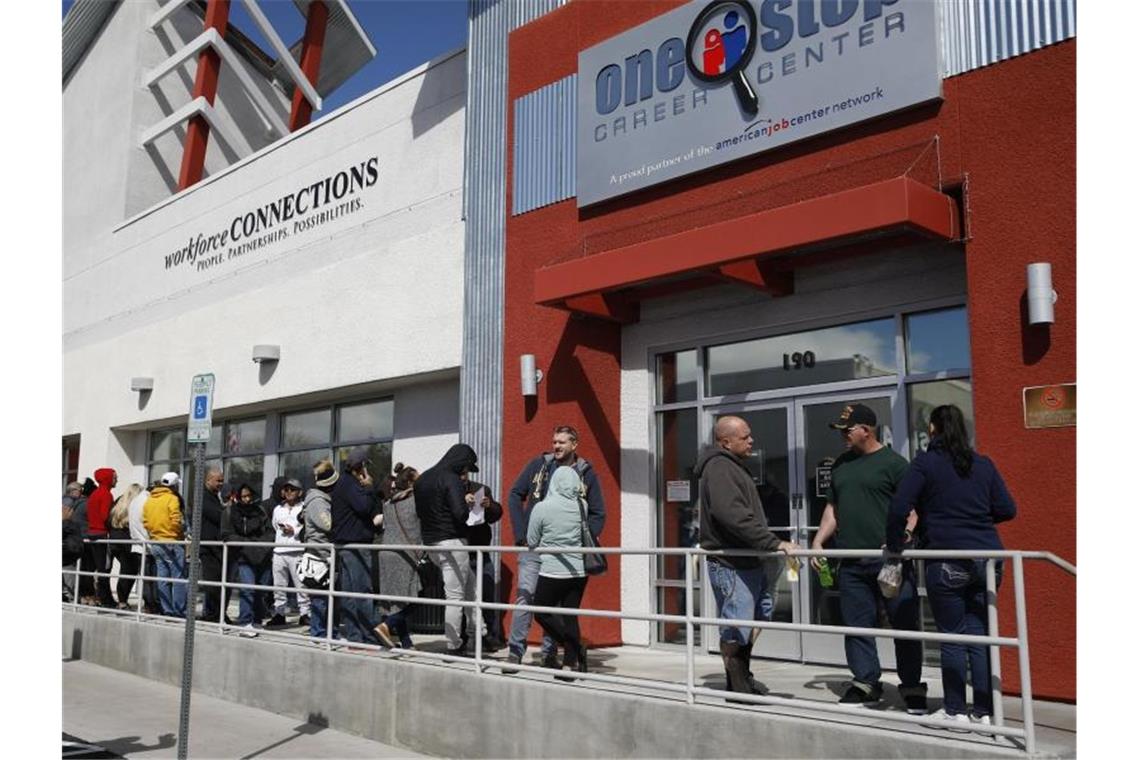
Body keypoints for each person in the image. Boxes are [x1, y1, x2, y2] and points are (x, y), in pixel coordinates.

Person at [886, 404, 1017, 729]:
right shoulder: (983, 464)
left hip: (945, 558)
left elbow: (900, 506)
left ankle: (955, 709)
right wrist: (976, 520)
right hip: (988, 560)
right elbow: (1007, 508)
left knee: (953, 636)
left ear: (932, 430)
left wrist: (895, 544)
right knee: (979, 635)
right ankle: (985, 711)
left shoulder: (926, 463)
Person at [809, 403, 927, 712]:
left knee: (904, 623)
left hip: (889, 561)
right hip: (851, 561)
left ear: (866, 430)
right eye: (840, 431)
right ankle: (865, 681)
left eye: (847, 431)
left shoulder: (895, 464)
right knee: (857, 624)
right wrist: (819, 541)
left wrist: (905, 535)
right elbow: (832, 510)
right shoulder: (841, 466)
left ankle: (912, 685)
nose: (843, 436)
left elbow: (914, 510)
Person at [695, 415, 797, 696]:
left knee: (754, 619)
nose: (751, 441)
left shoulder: (732, 467)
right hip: (731, 562)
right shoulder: (719, 468)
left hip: (748, 561)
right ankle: (738, 687)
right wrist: (773, 542)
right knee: (736, 626)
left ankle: (741, 679)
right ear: (725, 442)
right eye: (745, 437)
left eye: (750, 435)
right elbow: (731, 515)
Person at [506, 426, 606, 669]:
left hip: (566, 553)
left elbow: (597, 513)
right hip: (534, 547)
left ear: (575, 444)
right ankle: (515, 652)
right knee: (526, 598)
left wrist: (579, 539)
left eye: (562, 442)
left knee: (558, 607)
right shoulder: (538, 465)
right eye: (554, 442)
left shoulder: (585, 472)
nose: (556, 446)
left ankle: (550, 655)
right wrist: (521, 535)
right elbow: (514, 494)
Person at [415, 443, 485, 656]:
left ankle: (479, 632)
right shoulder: (451, 479)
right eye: (466, 468)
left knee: (471, 585)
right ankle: (454, 644)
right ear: (461, 463)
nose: (466, 474)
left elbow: (420, 512)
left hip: (431, 543)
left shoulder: (423, 478)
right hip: (453, 542)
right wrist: (467, 502)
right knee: (455, 596)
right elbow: (460, 514)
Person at [526, 466, 594, 676]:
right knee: (570, 616)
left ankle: (572, 647)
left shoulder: (542, 507)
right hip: (579, 572)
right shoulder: (582, 504)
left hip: (552, 571)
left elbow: (531, 541)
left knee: (541, 612)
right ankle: (570, 663)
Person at [331, 448, 384, 647]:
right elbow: (363, 507)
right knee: (362, 592)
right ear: (361, 467)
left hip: (345, 543)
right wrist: (369, 488)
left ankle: (355, 637)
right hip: (355, 544)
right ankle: (368, 637)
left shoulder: (341, 484)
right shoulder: (352, 485)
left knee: (349, 593)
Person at [376, 464, 423, 649]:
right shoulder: (416, 501)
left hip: (386, 552)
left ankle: (406, 642)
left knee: (396, 600)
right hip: (405, 554)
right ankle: (386, 626)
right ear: (411, 482)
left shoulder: (388, 503)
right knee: (418, 597)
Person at [223, 481, 275, 637]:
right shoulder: (231, 512)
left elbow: (269, 532)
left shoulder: (260, 511)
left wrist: (262, 545)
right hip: (244, 556)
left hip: (262, 555)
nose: (246, 499)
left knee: (261, 589)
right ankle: (245, 622)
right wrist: (246, 544)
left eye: (248, 496)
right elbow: (227, 534)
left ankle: (257, 620)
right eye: (243, 496)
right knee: (248, 588)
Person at [462, 470, 504, 651]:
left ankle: (490, 638)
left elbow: (496, 514)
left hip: (481, 551)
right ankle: (463, 638)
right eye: (459, 472)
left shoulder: (481, 488)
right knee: (463, 598)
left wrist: (490, 505)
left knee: (487, 594)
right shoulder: (450, 489)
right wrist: (462, 502)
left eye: (464, 473)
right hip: (461, 551)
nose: (462, 476)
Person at [142, 472, 187, 617]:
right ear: (174, 486)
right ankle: (179, 611)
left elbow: (146, 522)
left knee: (163, 578)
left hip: (156, 542)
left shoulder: (150, 499)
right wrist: (180, 532)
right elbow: (176, 520)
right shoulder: (172, 498)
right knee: (178, 578)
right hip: (172, 541)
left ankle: (167, 609)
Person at [304, 460, 339, 640]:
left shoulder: (321, 499)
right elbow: (327, 525)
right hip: (319, 554)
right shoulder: (317, 501)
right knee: (320, 597)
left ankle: (330, 631)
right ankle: (318, 633)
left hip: (326, 554)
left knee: (328, 597)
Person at [269, 478, 310, 628]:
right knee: (279, 585)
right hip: (279, 550)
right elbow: (275, 526)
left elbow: (307, 526)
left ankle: (305, 613)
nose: (289, 492)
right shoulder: (277, 509)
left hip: (297, 550)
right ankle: (279, 613)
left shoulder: (304, 507)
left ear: (299, 492)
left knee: (301, 585)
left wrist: (295, 531)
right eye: (286, 489)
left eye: (292, 489)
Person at [85, 468, 119, 608]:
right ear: (108, 479)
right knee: (104, 568)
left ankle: (92, 595)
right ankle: (106, 599)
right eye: (114, 477)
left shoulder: (94, 494)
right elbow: (105, 516)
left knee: (92, 568)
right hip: (102, 535)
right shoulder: (106, 495)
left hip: (91, 533)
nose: (116, 480)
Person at [107, 483, 143, 609]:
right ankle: (122, 601)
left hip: (115, 542)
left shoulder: (119, 502)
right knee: (129, 571)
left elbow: (109, 521)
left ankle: (122, 600)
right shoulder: (136, 504)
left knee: (126, 570)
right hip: (128, 542)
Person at [198, 468, 226, 622]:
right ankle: (214, 613)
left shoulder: (214, 497)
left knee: (216, 582)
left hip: (215, 546)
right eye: (218, 481)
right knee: (213, 582)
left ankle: (214, 613)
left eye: (222, 480)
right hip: (209, 547)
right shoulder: (204, 497)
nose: (221, 484)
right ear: (208, 480)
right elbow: (217, 516)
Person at [128, 482, 160, 615]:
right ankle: (152, 605)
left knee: (145, 578)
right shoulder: (148, 501)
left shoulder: (135, 500)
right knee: (150, 579)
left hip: (137, 545)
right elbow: (147, 524)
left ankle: (149, 605)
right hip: (147, 546)